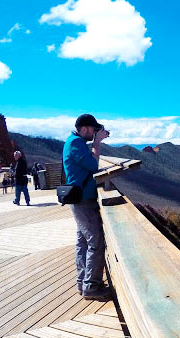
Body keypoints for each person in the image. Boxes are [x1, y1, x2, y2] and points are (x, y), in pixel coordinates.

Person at [63, 114, 111, 302]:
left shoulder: (74, 141)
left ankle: (83, 282)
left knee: (83, 241)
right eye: (93, 129)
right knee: (96, 241)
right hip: (83, 200)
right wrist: (97, 143)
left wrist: (96, 141)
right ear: (84, 128)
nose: (94, 133)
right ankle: (91, 286)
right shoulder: (76, 143)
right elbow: (92, 165)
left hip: (80, 198)